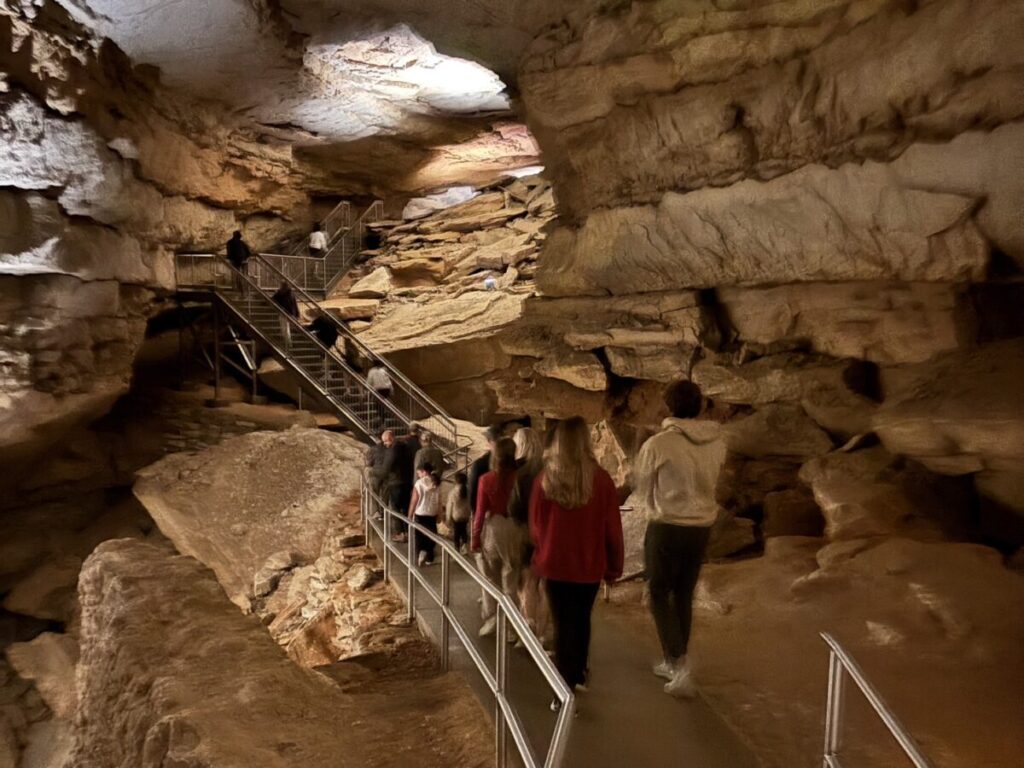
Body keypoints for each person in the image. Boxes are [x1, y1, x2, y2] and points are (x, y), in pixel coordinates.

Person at [633, 380, 725, 698]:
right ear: (700, 406)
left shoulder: (659, 444)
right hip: (701, 527)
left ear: (668, 407)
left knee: (658, 592)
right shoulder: (717, 441)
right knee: (683, 593)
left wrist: (639, 446)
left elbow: (641, 484)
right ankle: (675, 660)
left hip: (667, 525)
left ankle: (678, 663)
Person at [530, 417, 623, 701]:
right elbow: (612, 528)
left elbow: (535, 526)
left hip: (555, 562)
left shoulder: (545, 479)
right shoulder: (602, 480)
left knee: (562, 623)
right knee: (581, 619)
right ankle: (578, 672)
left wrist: (542, 550)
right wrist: (614, 566)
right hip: (589, 562)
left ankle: (564, 686)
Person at [472, 437, 522, 638]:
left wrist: (475, 537)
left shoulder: (486, 479)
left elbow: (480, 512)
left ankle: (493, 617)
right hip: (515, 528)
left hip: (494, 529)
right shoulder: (519, 478)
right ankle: (512, 628)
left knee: (491, 577)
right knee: (511, 580)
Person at [509, 427, 548, 647]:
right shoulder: (548, 470)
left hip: (523, 530)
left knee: (527, 582)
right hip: (548, 532)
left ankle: (528, 627)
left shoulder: (518, 472)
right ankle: (542, 632)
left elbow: (514, 506)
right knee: (544, 584)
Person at [380, 429, 414, 541]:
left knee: (395, 508)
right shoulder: (406, 447)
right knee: (406, 508)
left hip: (396, 483)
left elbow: (386, 468)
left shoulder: (393, 450)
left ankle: (400, 533)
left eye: (385, 442)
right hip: (407, 481)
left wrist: (375, 472)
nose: (385, 444)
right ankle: (408, 532)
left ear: (390, 439)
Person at [408, 462, 442, 567]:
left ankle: (421, 553)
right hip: (432, 513)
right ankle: (430, 557)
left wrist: (409, 515)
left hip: (420, 513)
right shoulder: (436, 482)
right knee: (431, 535)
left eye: (419, 473)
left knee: (419, 536)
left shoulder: (419, 483)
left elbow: (414, 500)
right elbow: (439, 501)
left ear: (424, 472)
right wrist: (440, 514)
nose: (418, 475)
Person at [468, 426, 501, 520]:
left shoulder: (480, 464)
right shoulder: (480, 464)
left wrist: (475, 513)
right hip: (491, 513)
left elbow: (472, 491)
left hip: (486, 512)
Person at [446, 471, 472, 553]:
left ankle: (457, 549)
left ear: (456, 481)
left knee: (456, 533)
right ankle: (464, 545)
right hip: (466, 515)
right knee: (464, 530)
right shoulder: (469, 491)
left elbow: (449, 507)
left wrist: (448, 519)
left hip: (456, 516)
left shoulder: (453, 492)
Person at [271, 281, 299, 350]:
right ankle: (288, 344)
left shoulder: (281, 293)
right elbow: (294, 304)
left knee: (285, 329)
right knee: (286, 329)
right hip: (290, 313)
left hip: (284, 312)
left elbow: (274, 299)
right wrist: (297, 314)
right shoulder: (291, 293)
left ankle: (288, 344)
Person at [226, 230, 252, 295]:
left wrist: (230, 259)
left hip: (235, 261)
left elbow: (229, 253)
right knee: (244, 276)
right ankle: (245, 290)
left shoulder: (230, 242)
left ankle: (240, 290)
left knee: (238, 275)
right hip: (243, 261)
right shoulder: (242, 243)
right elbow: (248, 252)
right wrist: (246, 259)